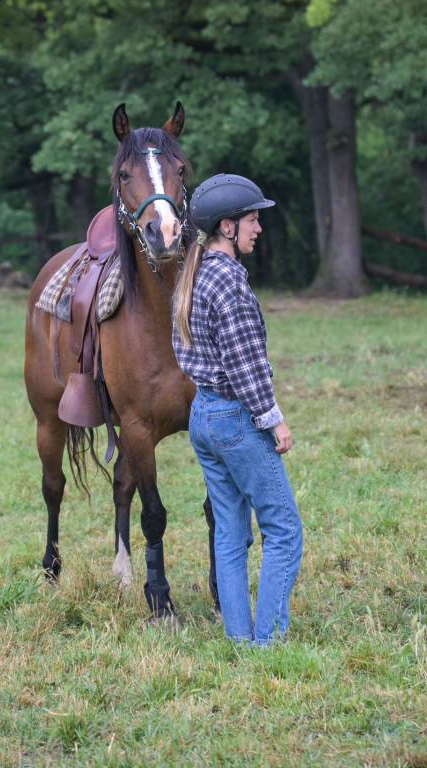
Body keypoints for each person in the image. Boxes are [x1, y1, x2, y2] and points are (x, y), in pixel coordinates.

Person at [172, 174, 303, 646]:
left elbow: (183, 352)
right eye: (252, 220)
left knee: (229, 533)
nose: (258, 229)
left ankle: (239, 637)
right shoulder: (228, 281)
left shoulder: (195, 273)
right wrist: (274, 419)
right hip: (235, 418)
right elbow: (245, 365)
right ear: (227, 227)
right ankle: (267, 641)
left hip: (203, 417)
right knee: (284, 529)